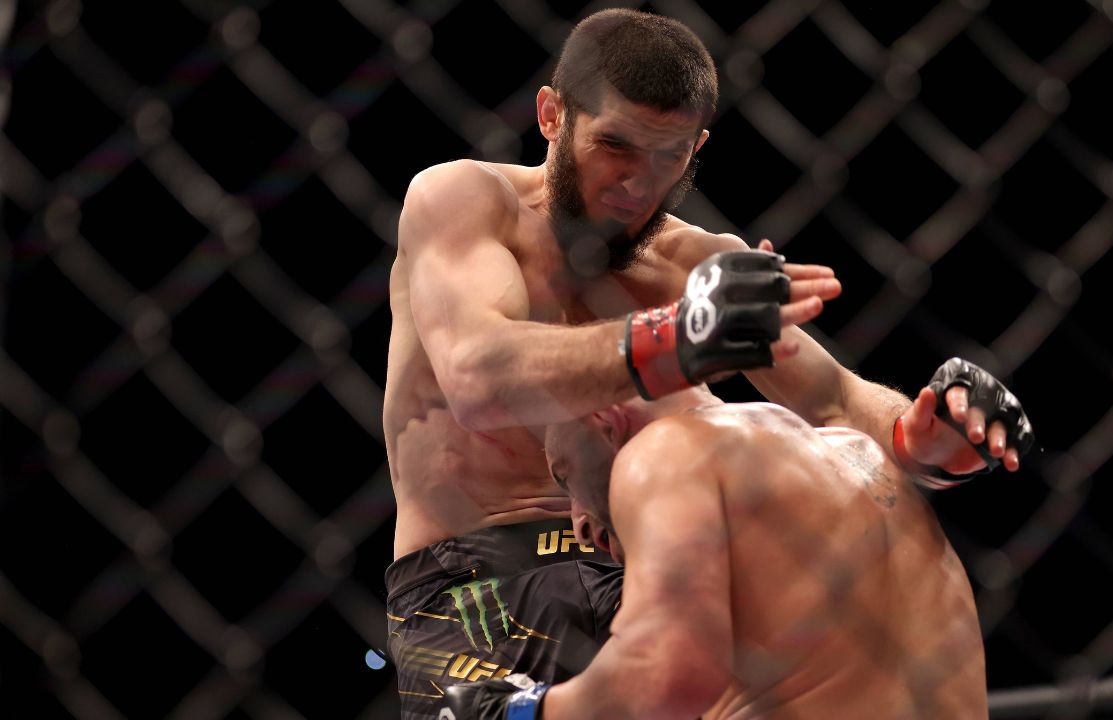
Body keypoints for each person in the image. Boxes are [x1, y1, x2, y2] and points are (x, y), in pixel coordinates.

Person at [382, 8, 1029, 717]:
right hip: (479, 577)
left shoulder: (697, 264)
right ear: (552, 116)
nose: (635, 183)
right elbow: (479, 377)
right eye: (614, 145)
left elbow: (836, 402)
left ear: (696, 148)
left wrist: (921, 439)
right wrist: (675, 339)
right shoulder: (467, 202)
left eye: (667, 157)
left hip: (647, 569)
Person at [446, 375, 995, 719]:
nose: (580, 524)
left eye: (565, 476)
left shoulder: (666, 452)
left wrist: (521, 711)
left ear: (604, 420)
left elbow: (666, 675)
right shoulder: (857, 453)